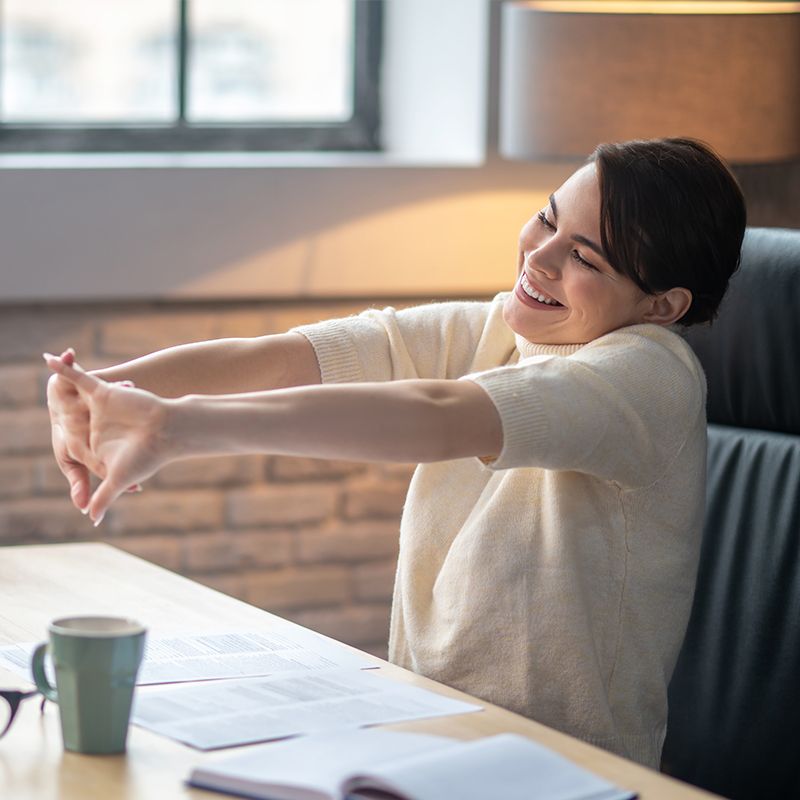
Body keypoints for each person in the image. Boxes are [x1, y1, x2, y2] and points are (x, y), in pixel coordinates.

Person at [44, 137, 746, 769]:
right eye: (546, 218)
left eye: (584, 256)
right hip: (427, 735)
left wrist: (174, 427)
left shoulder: (650, 375)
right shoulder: (503, 329)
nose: (539, 256)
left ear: (662, 306)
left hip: (565, 769)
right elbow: (288, 358)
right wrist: (102, 393)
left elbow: (440, 416)